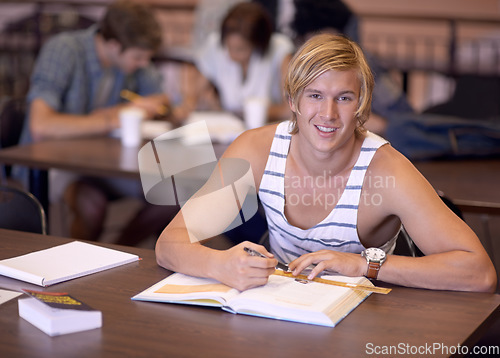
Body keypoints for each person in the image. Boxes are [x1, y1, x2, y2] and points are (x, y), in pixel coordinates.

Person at [155, 33, 496, 293]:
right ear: (292, 100)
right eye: (315, 95)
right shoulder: (255, 149)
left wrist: (361, 265)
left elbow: (479, 274)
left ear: (361, 104)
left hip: (375, 310)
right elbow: (169, 244)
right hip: (286, 306)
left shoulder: (387, 169)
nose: (329, 114)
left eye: (343, 98)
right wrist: (220, 263)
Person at [23, 0, 178, 244]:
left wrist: (148, 106)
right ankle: (82, 267)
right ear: (113, 45)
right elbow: (40, 126)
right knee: (91, 204)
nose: (143, 64)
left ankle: (120, 251)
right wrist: (113, 117)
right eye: (138, 57)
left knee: (174, 192)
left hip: (103, 162)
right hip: (55, 162)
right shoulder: (64, 50)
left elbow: (162, 97)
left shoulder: (128, 59)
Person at [177, 2, 294, 123]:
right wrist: (193, 103)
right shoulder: (215, 45)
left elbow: (288, 110)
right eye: (229, 47)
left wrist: (246, 113)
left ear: (258, 44)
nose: (232, 55)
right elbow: (193, 97)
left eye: (241, 49)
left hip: (266, 129)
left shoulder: (280, 51)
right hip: (228, 129)